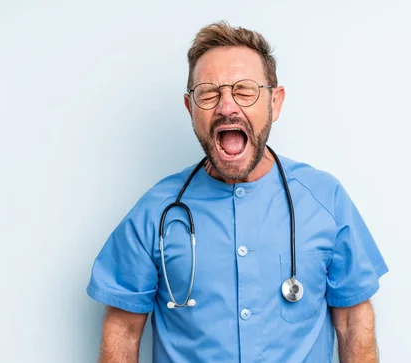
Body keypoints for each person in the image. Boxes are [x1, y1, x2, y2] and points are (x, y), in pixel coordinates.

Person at [86, 21, 388, 363]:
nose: (227, 107)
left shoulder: (325, 199)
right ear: (190, 108)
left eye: (244, 91)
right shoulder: (155, 212)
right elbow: (123, 331)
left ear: (275, 102)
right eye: (209, 94)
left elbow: (352, 321)